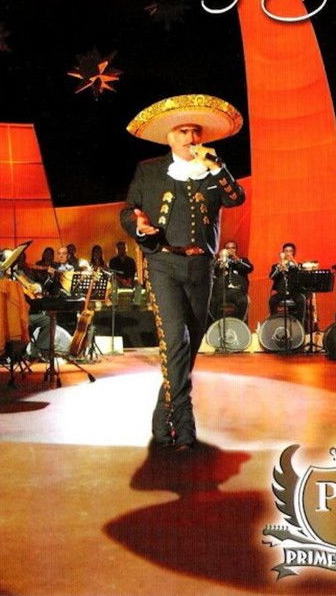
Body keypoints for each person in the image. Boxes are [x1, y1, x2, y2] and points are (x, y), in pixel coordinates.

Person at [120, 94, 245, 450]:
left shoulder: (213, 172)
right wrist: (138, 225)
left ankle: (162, 419)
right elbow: (128, 211)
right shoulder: (150, 171)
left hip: (201, 266)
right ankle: (184, 423)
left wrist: (218, 167)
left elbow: (236, 198)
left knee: (190, 346)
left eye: (195, 131)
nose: (190, 138)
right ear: (169, 137)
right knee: (176, 340)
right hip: (163, 263)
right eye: (182, 131)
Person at [211, 240, 253, 322]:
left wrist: (236, 259)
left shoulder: (242, 260)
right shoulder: (218, 261)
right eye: (228, 248)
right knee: (211, 301)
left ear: (236, 250)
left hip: (237, 292)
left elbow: (249, 268)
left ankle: (238, 323)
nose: (230, 250)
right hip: (221, 292)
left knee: (243, 301)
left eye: (233, 248)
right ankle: (216, 324)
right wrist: (219, 260)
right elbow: (210, 270)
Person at [268, 242, 306, 324]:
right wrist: (279, 268)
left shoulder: (298, 265)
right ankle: (274, 322)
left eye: (290, 251)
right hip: (281, 292)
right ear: (283, 253)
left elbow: (302, 276)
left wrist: (294, 263)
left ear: (293, 253)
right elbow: (272, 277)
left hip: (294, 292)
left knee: (301, 300)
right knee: (272, 300)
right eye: (286, 251)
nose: (288, 253)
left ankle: (299, 324)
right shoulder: (276, 266)